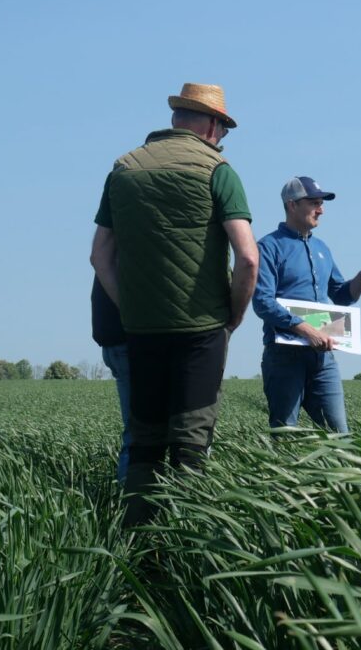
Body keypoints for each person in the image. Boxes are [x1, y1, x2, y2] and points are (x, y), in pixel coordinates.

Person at [90, 83, 259, 525]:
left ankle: (138, 547)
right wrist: (232, 317)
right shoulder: (218, 170)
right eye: (223, 128)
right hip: (200, 330)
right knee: (191, 444)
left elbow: (99, 256)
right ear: (210, 124)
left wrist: (129, 308)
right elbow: (247, 257)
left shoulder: (122, 170)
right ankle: (186, 544)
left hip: (141, 330)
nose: (222, 138)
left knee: (144, 441)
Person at [252, 176, 361, 434]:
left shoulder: (322, 248)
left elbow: (341, 296)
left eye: (321, 203)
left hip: (323, 356)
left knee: (339, 434)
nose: (321, 209)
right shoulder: (268, 247)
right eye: (314, 203)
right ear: (292, 205)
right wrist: (305, 328)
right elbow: (262, 301)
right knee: (286, 434)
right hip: (284, 355)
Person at [91, 276, 131, 484]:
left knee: (136, 433)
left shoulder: (110, 245)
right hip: (132, 338)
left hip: (114, 336)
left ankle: (129, 506)